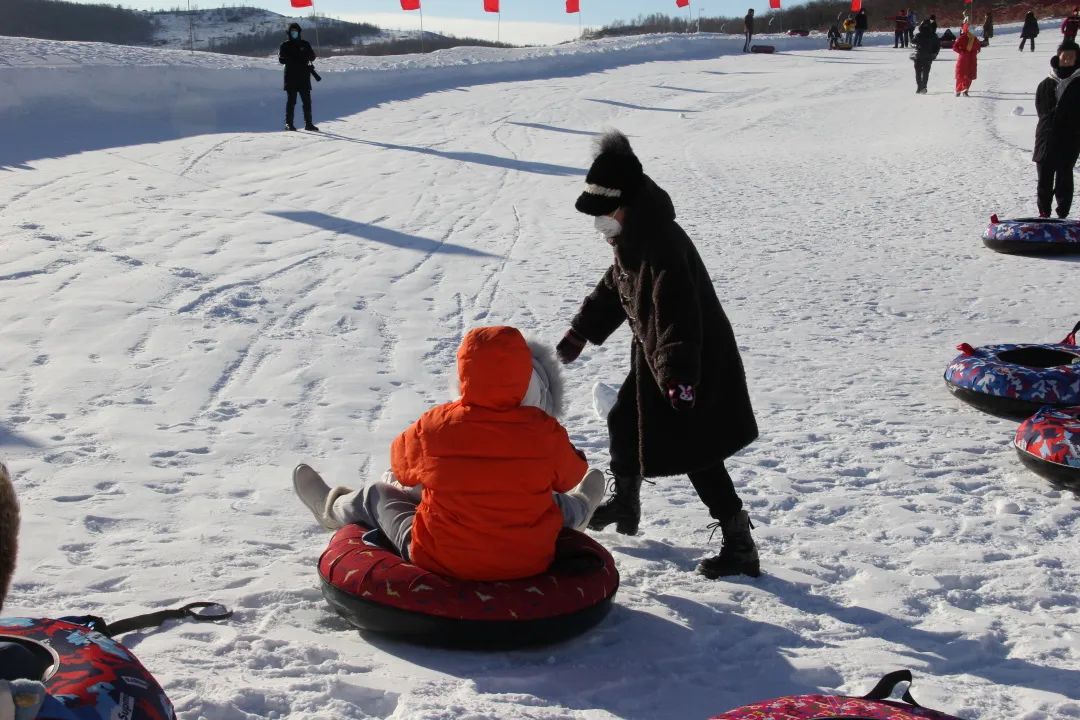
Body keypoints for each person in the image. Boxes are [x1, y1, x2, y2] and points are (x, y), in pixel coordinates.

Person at [557, 131, 760, 579]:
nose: (602, 223)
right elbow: (617, 286)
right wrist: (581, 331)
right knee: (623, 420)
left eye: (606, 212)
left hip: (690, 361)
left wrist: (679, 376)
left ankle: (739, 542)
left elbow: (678, 316)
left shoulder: (662, 247)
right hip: (660, 357)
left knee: (698, 453)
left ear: (626, 204)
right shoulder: (634, 239)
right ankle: (626, 505)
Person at [294, 326, 606, 581]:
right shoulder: (544, 431)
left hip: (440, 558)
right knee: (546, 499)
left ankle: (331, 507)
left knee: (377, 493)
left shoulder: (436, 425)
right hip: (527, 562)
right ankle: (580, 509)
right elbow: (569, 476)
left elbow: (400, 469)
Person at [1034, 41, 1080, 218]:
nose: (1067, 59)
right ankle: (1044, 213)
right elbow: (1041, 109)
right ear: (1058, 56)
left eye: (1071, 56)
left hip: (1069, 139)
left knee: (1064, 179)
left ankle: (1062, 215)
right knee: (1043, 180)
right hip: (1045, 138)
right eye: (1064, 55)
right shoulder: (1046, 83)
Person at [278, 22, 318, 132]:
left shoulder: (305, 44)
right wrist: (292, 58)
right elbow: (281, 59)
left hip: (304, 77)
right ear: (289, 33)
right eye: (292, 31)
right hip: (291, 77)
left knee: (307, 101)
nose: (294, 33)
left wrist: (311, 56)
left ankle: (308, 124)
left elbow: (312, 56)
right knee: (291, 101)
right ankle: (289, 124)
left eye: (296, 31)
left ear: (299, 32)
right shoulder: (285, 45)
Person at [912, 20, 940, 94]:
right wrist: (935, 54)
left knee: (918, 72)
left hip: (919, 56)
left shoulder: (918, 35)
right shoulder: (933, 35)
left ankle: (920, 87)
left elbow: (912, 43)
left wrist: (915, 46)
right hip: (927, 56)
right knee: (925, 72)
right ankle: (923, 86)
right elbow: (937, 46)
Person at [953, 24, 981, 96]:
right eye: (970, 29)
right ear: (967, 30)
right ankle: (958, 90)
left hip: (972, 59)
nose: (972, 31)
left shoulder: (975, 39)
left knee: (969, 75)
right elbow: (955, 47)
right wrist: (962, 52)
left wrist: (976, 51)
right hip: (963, 59)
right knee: (961, 75)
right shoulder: (962, 38)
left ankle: (965, 90)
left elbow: (978, 48)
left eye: (973, 29)